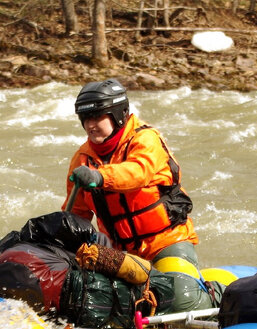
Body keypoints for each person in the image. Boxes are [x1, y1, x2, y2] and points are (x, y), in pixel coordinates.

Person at [64, 79, 200, 277]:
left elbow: (138, 172)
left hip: (167, 242)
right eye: (85, 118)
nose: (90, 125)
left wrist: (99, 176)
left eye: (96, 117)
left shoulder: (145, 139)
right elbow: (77, 214)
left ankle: (217, 291)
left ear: (118, 115)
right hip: (121, 254)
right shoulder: (82, 159)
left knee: (178, 294)